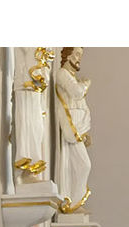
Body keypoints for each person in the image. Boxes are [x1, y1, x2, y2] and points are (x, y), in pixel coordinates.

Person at [54, 46, 92, 213]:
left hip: (77, 129)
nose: (79, 58)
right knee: (84, 165)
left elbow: (80, 104)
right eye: (76, 54)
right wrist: (86, 84)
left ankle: (72, 202)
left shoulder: (71, 77)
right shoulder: (63, 74)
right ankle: (72, 204)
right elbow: (76, 93)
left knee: (77, 165)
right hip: (71, 129)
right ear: (67, 55)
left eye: (80, 55)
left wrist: (85, 133)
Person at [12, 47, 54, 184]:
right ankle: (25, 169)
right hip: (25, 84)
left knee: (37, 128)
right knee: (27, 124)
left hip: (35, 88)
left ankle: (32, 168)